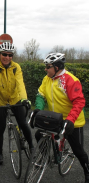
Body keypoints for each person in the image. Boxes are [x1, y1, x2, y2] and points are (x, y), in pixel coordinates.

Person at [32, 53, 89, 183]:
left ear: (57, 67)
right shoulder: (47, 78)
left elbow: (79, 102)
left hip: (73, 120)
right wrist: (38, 110)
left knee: (78, 150)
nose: (45, 69)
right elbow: (41, 95)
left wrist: (70, 120)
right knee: (38, 135)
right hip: (55, 118)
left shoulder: (70, 80)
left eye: (48, 66)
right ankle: (46, 157)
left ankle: (87, 171)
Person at [0, 42, 34, 165]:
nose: (7, 57)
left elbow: (20, 84)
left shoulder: (16, 67)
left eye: (10, 55)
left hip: (15, 99)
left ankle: (32, 147)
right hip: (0, 101)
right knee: (0, 128)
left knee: (23, 124)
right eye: (4, 54)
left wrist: (24, 98)